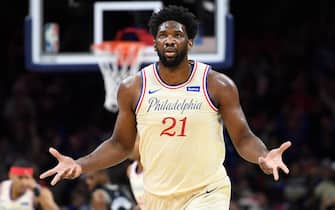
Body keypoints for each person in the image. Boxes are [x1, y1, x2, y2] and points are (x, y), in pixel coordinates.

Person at [40, 5, 292, 210]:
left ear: (190, 42)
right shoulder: (133, 87)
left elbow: (243, 137)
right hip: (156, 197)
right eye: (163, 35)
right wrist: (80, 164)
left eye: (177, 35)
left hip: (207, 193)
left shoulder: (217, 84)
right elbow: (120, 145)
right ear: (155, 43)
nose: (170, 40)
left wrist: (263, 155)